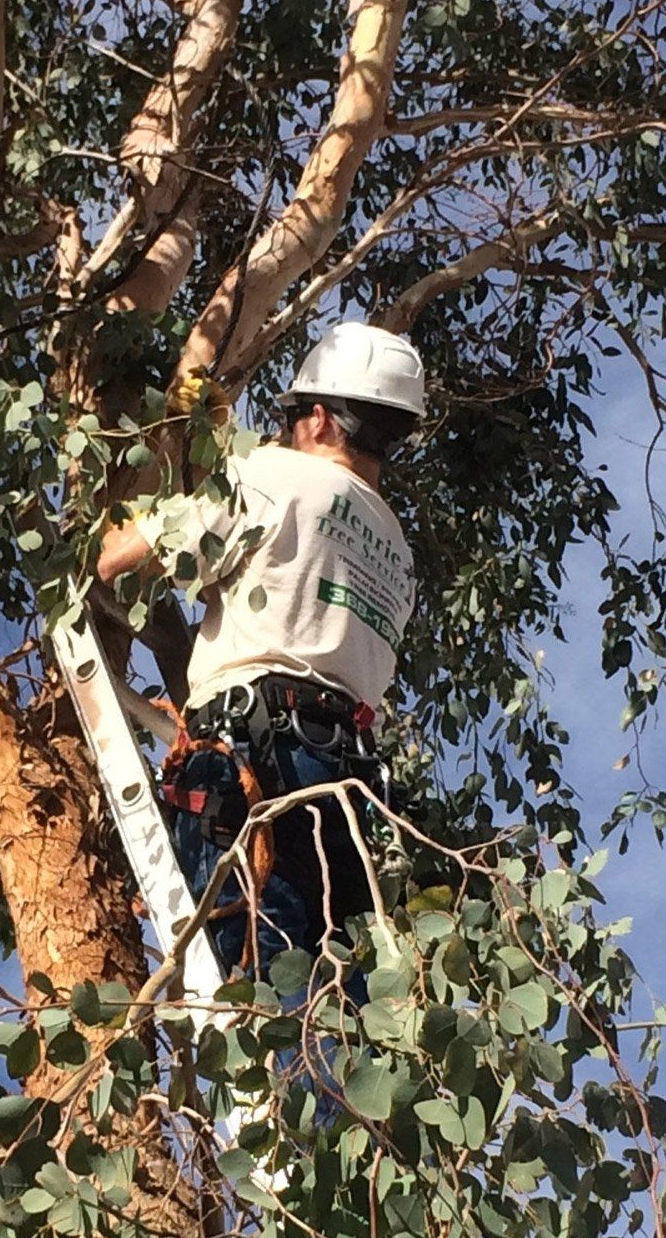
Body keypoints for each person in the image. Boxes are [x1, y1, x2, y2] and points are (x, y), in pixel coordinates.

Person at [96, 322, 423, 981]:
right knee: (333, 1005)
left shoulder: (274, 475)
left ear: (322, 418)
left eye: (294, 417)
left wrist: (134, 507)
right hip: (347, 786)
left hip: (253, 766)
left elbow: (118, 566)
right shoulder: (398, 554)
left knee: (254, 989)